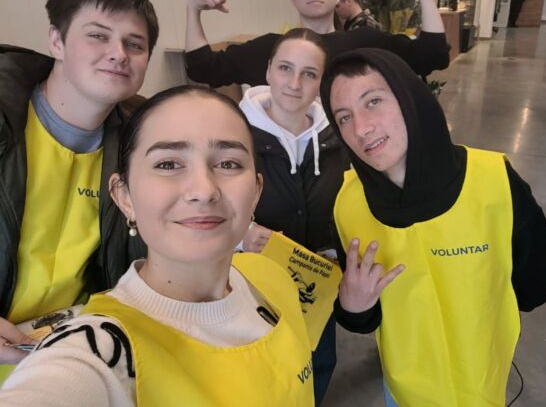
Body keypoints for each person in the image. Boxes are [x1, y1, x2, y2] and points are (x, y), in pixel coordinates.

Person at [0, 86, 314, 406]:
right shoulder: (101, 348)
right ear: (124, 196)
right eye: (168, 164)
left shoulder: (274, 276)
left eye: (229, 163)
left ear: (256, 191)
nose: (203, 190)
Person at [319, 48, 546, 406]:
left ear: (409, 97)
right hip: (404, 391)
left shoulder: (493, 180)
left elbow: (535, 288)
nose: (361, 128)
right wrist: (353, 307)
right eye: (344, 117)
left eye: (373, 101)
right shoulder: (348, 205)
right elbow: (363, 318)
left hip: (483, 382)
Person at [0, 0, 158, 380]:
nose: (118, 54)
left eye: (135, 44)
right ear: (56, 40)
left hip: (69, 363)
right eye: (98, 35)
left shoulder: (140, 144)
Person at [238, 28, 350, 404]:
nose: (294, 83)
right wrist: (242, 235)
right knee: (259, 368)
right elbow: (210, 202)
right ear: (268, 70)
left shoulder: (337, 139)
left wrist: (336, 247)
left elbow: (349, 204)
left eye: (309, 73)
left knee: (318, 361)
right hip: (253, 285)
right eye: (285, 68)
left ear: (321, 82)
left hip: (316, 285)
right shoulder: (235, 136)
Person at [185, 0, 448, 88]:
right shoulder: (272, 49)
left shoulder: (365, 43)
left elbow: (432, 56)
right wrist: (193, 9)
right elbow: (203, 69)